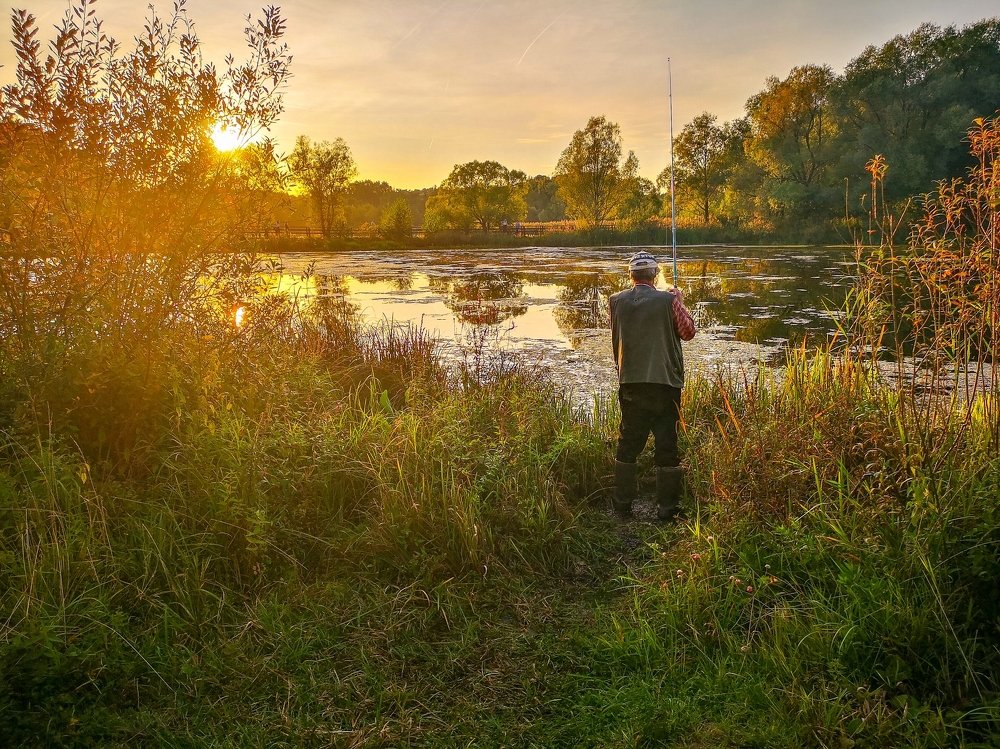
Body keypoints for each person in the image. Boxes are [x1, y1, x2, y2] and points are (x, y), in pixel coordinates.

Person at [609, 250, 696, 520]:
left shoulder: (615, 301)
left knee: (628, 442)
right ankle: (667, 509)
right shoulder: (668, 300)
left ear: (631, 275)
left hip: (631, 381)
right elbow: (688, 332)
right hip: (664, 382)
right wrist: (679, 300)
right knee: (666, 441)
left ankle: (622, 506)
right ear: (655, 274)